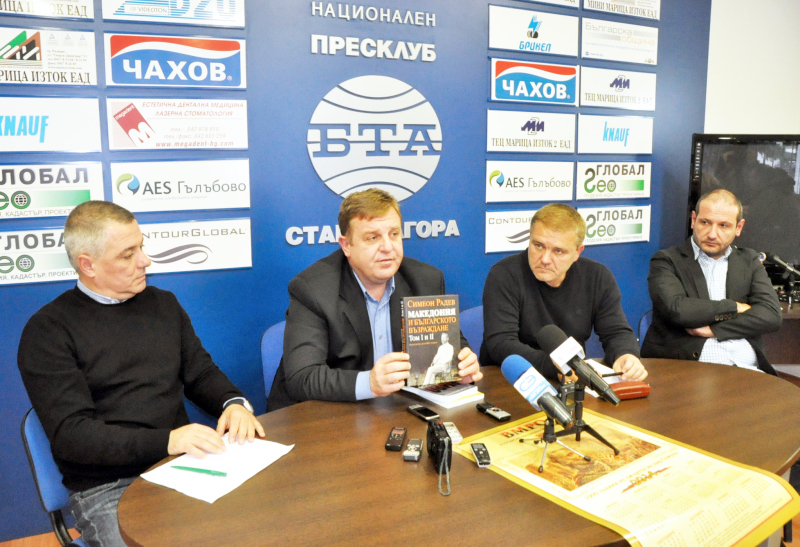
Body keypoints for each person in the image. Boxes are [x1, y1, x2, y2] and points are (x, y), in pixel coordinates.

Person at [17, 201, 264, 547]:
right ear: (87, 265)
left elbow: (200, 373)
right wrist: (168, 440)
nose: (145, 261)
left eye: (141, 247)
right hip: (108, 487)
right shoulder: (48, 332)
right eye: (127, 254)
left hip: (182, 465)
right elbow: (73, 436)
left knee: (260, 525)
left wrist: (232, 403)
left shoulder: (163, 304)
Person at [267, 188, 482, 411]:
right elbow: (302, 377)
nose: (387, 247)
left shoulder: (426, 281)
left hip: (397, 412)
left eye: (394, 234)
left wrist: (462, 368)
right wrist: (368, 383)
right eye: (373, 237)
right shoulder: (313, 289)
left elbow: (454, 346)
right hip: (324, 415)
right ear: (346, 245)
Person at [480, 203, 648, 382]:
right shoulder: (504, 275)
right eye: (538, 245)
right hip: (510, 379)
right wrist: (555, 367)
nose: (545, 259)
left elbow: (616, 331)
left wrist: (626, 355)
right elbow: (501, 343)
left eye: (558, 251)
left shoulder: (597, 277)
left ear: (577, 252)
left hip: (570, 379)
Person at [641, 189, 782, 374]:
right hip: (689, 372)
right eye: (705, 222)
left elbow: (771, 315)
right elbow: (678, 310)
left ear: (738, 228)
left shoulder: (749, 260)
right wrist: (734, 307)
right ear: (694, 220)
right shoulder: (667, 260)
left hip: (748, 370)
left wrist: (715, 330)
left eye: (723, 225)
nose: (712, 234)